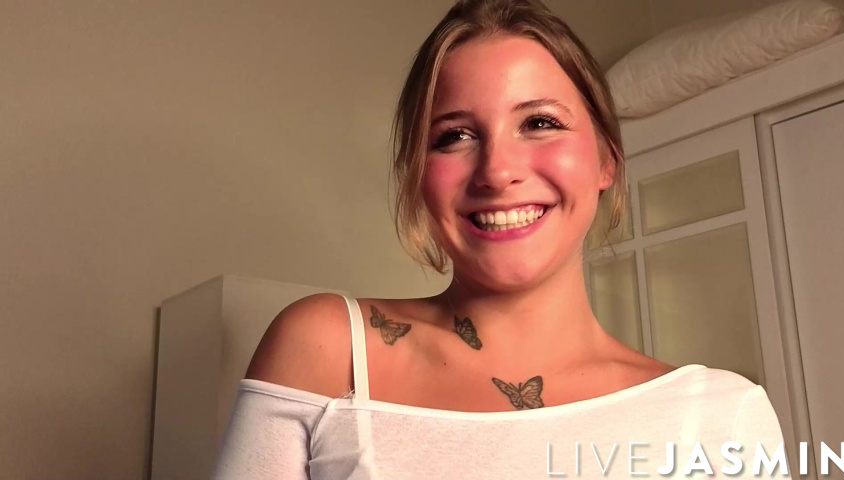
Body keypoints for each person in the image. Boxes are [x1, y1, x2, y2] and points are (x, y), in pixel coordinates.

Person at [211, 0, 788, 479]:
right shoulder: (326, 348)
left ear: (606, 159)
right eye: (455, 135)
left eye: (539, 122)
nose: (497, 171)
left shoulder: (722, 416)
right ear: (417, 175)